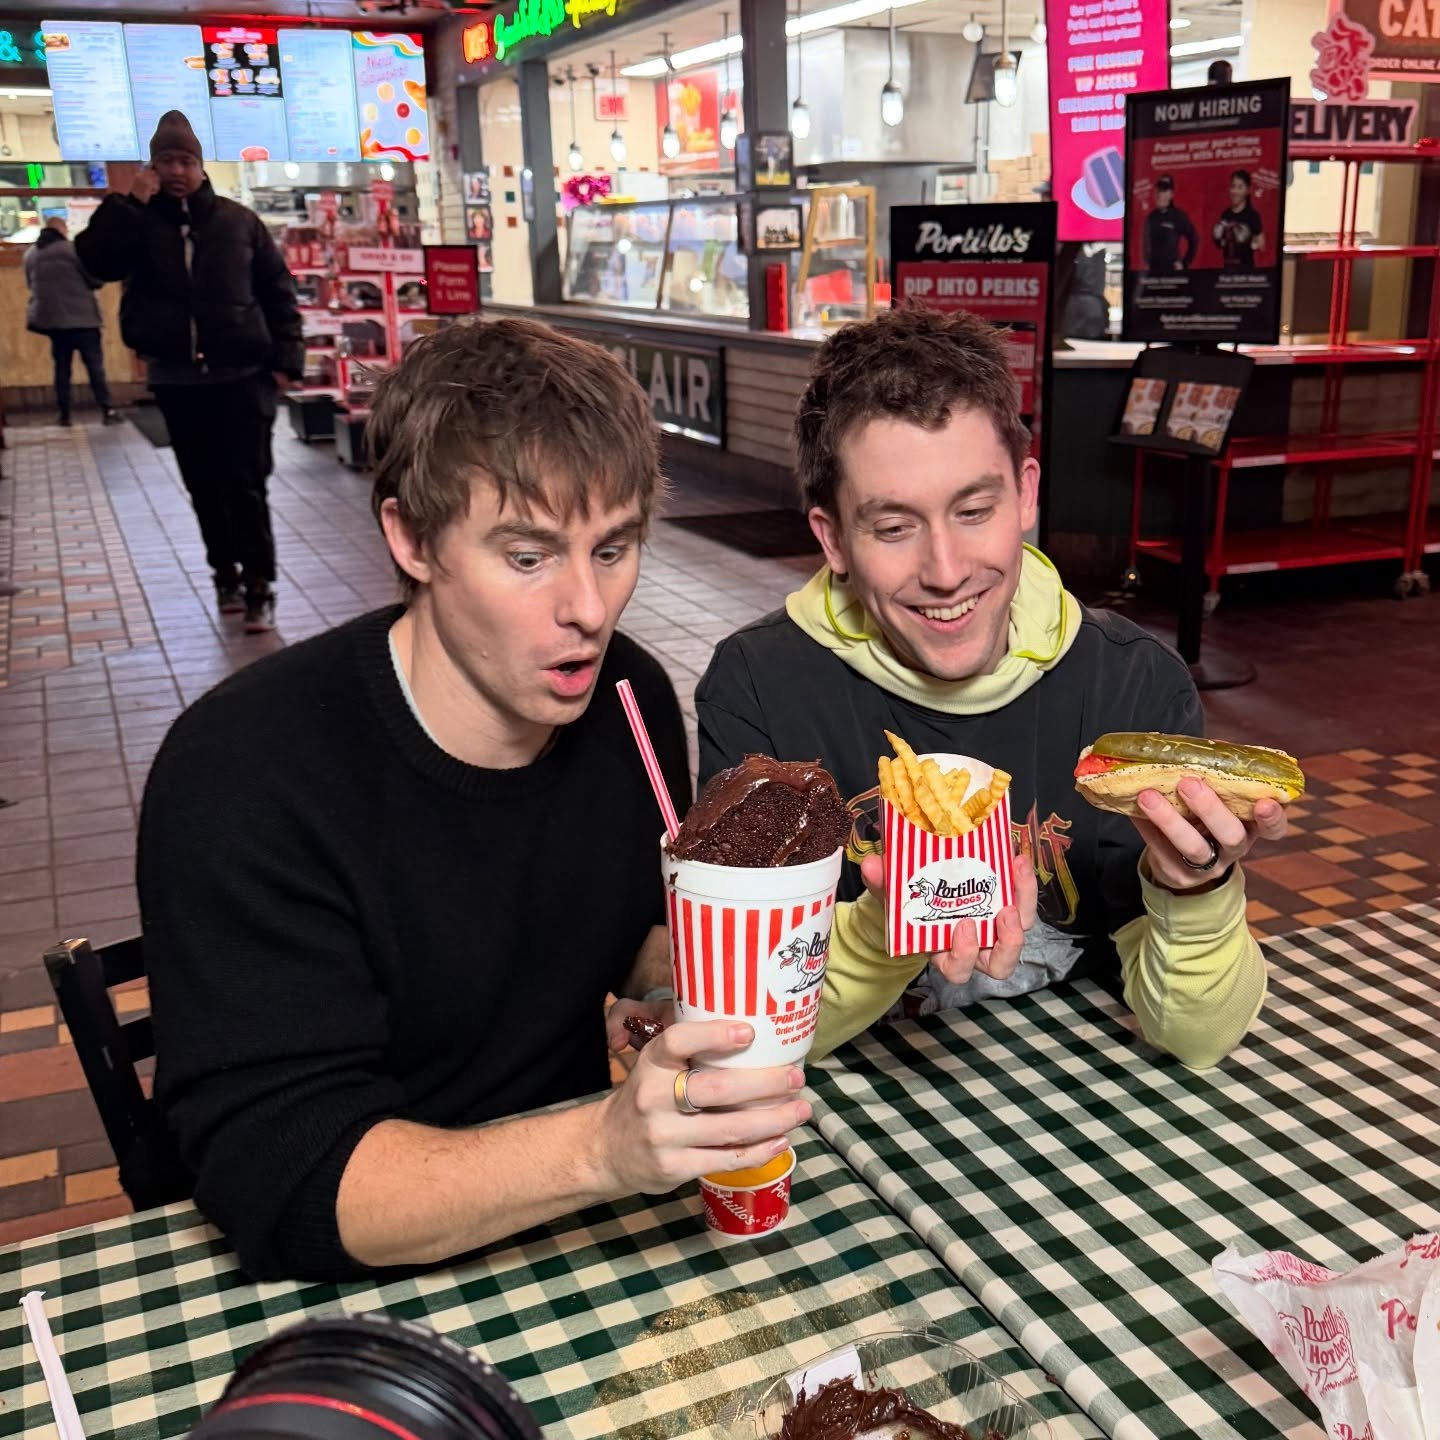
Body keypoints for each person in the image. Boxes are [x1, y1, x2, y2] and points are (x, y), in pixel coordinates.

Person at [139, 318, 808, 1282]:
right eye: (528, 557)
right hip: (349, 1270)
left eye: (614, 548)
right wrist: (602, 1147)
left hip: (574, 1232)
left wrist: (663, 994)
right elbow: (283, 1178)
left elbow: (624, 937)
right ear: (411, 536)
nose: (587, 608)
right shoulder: (246, 774)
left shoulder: (631, 697)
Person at [696, 307, 1288, 1069]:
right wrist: (892, 924)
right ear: (834, 539)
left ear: (1026, 493)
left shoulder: (1131, 680)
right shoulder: (759, 687)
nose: (946, 570)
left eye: (974, 511)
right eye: (893, 527)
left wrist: (1196, 890)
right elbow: (752, 1026)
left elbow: (1199, 1042)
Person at [76, 111, 302, 634]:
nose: (176, 170)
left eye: (186, 160)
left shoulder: (237, 221)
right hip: (177, 378)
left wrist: (287, 362)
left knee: (246, 483)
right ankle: (223, 573)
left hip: (242, 375)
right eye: (166, 160)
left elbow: (278, 292)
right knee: (202, 483)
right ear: (151, 166)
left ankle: (259, 585)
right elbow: (94, 262)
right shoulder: (137, 223)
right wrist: (129, 202)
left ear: (201, 167)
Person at [23, 217, 122, 429]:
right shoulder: (74, 250)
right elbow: (95, 280)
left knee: (61, 368)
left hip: (53, 323)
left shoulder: (31, 254)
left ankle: (65, 414)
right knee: (95, 367)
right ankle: (107, 410)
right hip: (83, 319)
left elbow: (30, 285)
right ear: (62, 230)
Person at [1143, 177, 1198, 274]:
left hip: (1172, 273)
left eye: (1164, 191)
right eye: (1158, 191)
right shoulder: (1151, 217)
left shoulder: (1178, 216)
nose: (1160, 195)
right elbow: (1145, 243)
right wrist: (1147, 263)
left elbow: (1194, 239)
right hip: (1153, 274)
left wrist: (1184, 263)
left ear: (1171, 194)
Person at [1214, 170, 1264, 269]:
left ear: (1248, 190)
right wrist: (1219, 237)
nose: (1235, 191)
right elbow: (1221, 243)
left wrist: (1245, 240)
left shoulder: (1252, 215)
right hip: (1227, 270)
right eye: (1233, 186)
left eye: (1240, 187)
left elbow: (1261, 244)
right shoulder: (1226, 214)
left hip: (1246, 272)